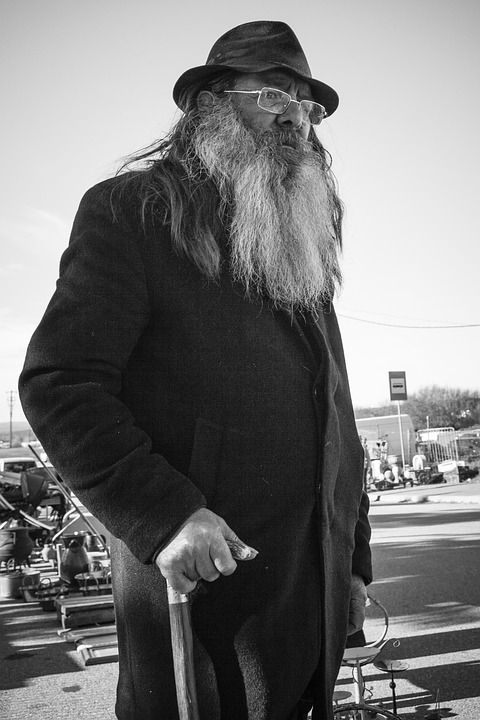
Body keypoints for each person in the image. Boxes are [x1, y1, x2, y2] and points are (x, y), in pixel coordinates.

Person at [19, 20, 372, 720]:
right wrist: (166, 515)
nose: (296, 119)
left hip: (311, 609)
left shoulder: (299, 242)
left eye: (307, 106)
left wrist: (353, 561)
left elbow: (337, 414)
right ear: (212, 103)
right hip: (202, 609)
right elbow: (61, 383)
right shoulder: (133, 213)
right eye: (273, 95)